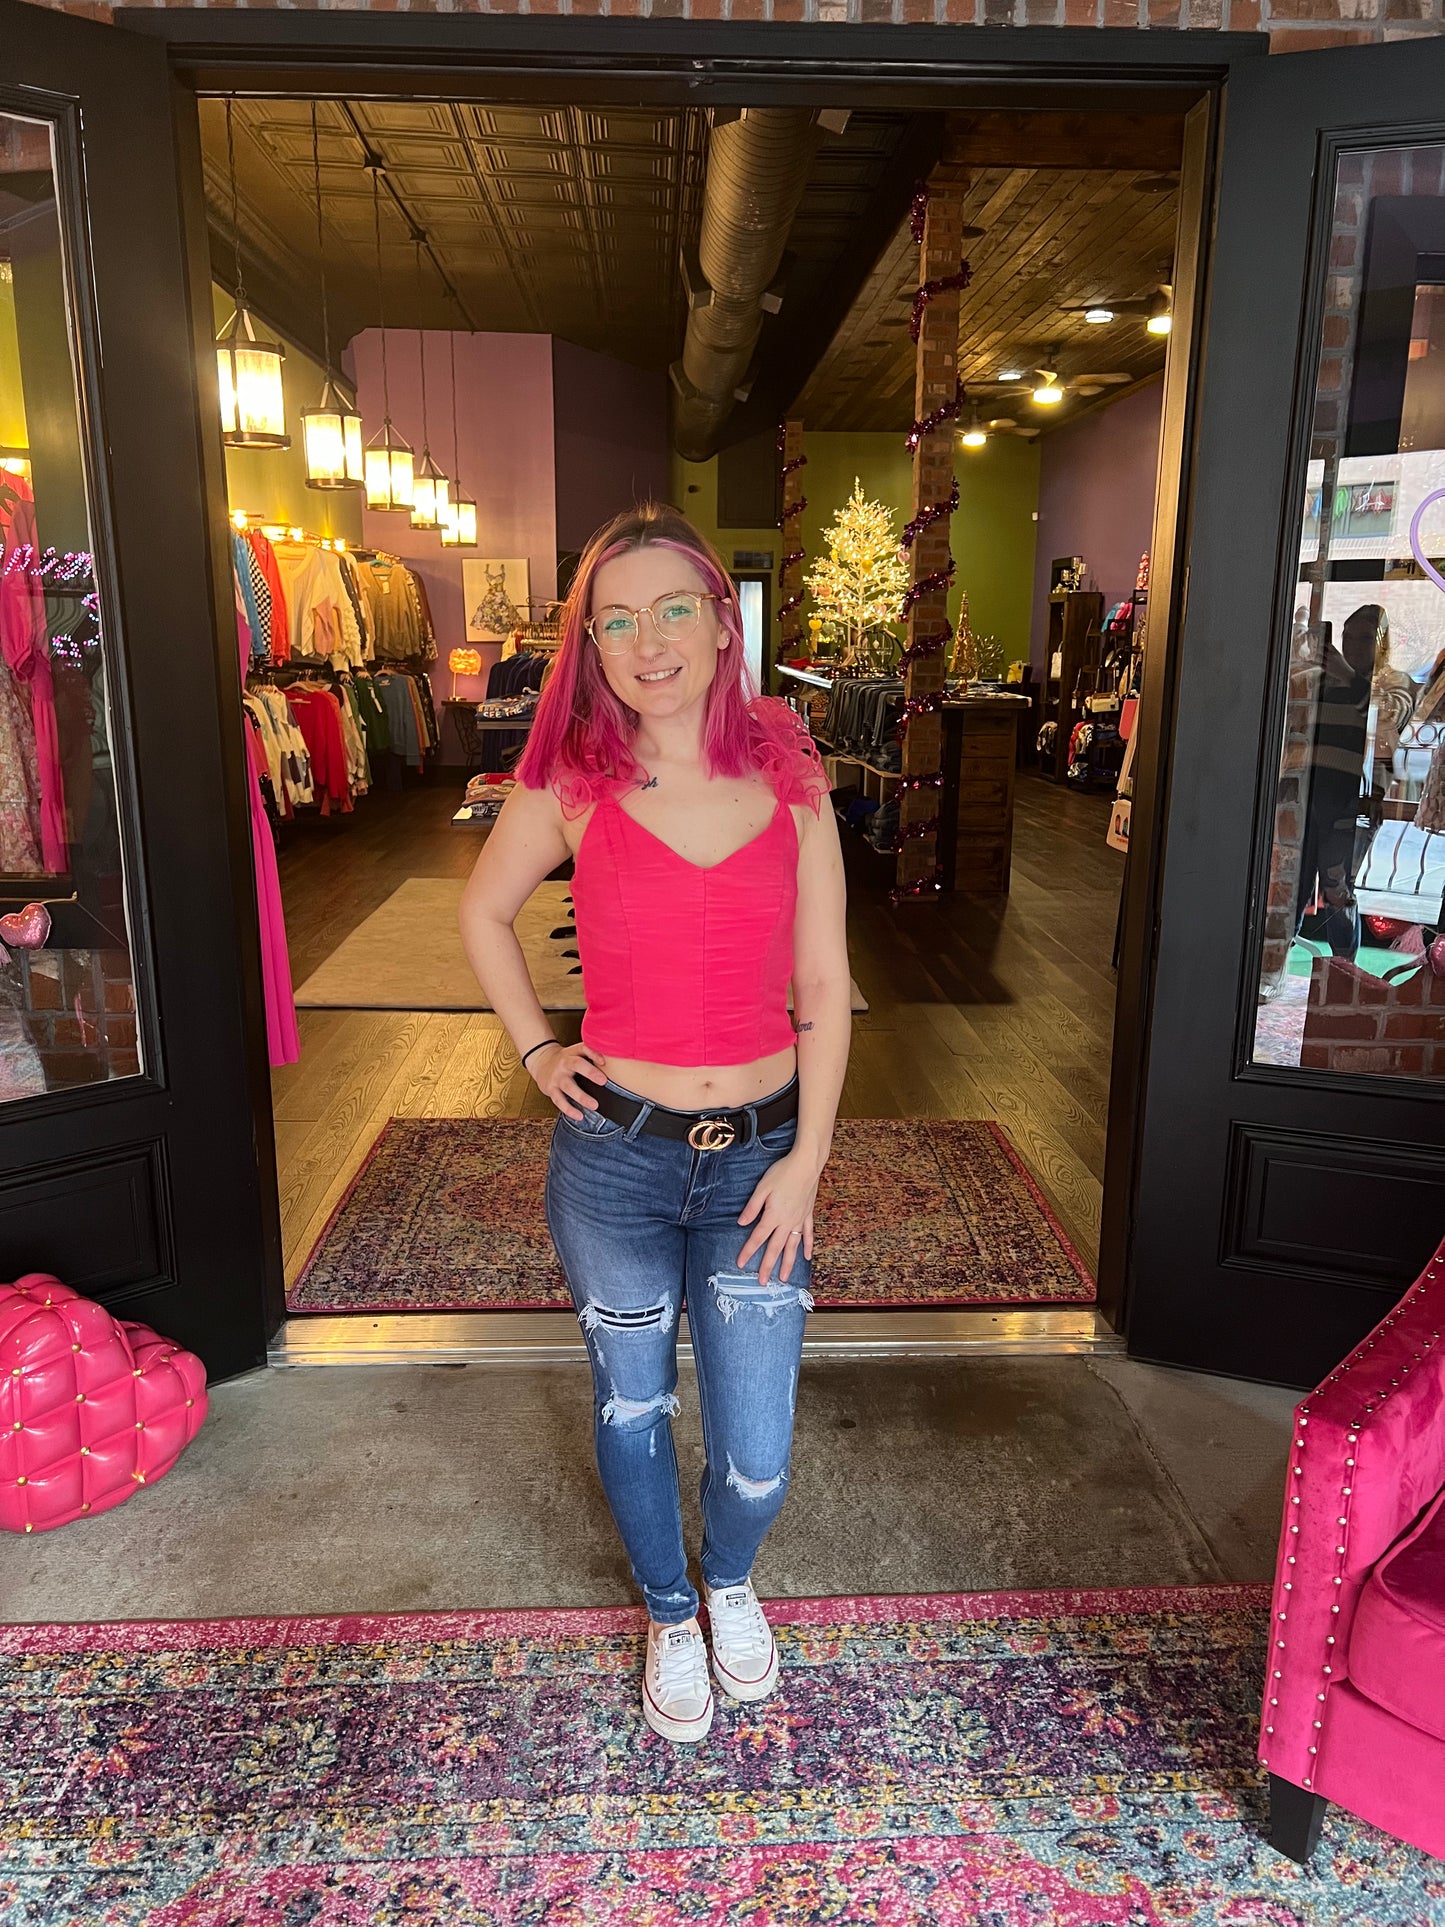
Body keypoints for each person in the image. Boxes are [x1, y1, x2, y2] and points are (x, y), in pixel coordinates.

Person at [458, 503, 851, 1744]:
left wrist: (807, 1162)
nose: (647, 641)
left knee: (757, 1449)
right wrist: (537, 1047)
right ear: (590, 642)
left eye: (672, 608)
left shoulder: (789, 774)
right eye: (615, 619)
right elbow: (481, 913)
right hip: (613, 1167)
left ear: (721, 623)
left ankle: (729, 1577)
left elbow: (824, 983)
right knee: (631, 1408)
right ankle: (672, 1609)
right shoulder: (571, 777)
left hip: (758, 1165)